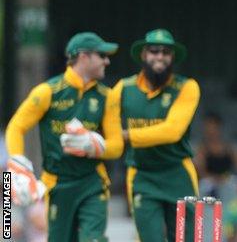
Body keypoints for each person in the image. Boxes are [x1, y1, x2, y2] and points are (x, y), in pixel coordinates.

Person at [5, 32, 123, 241]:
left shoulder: (108, 95)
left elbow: (117, 145)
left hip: (92, 183)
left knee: (93, 239)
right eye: (101, 55)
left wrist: (95, 146)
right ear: (84, 57)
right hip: (57, 184)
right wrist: (17, 162)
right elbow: (16, 126)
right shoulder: (47, 91)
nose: (107, 60)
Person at [108, 29, 201, 242]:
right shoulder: (124, 88)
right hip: (142, 176)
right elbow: (105, 121)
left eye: (166, 52)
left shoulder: (187, 87)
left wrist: (126, 135)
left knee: (187, 239)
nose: (159, 56)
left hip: (178, 173)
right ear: (143, 55)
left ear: (172, 57)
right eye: (154, 51)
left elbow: (172, 131)